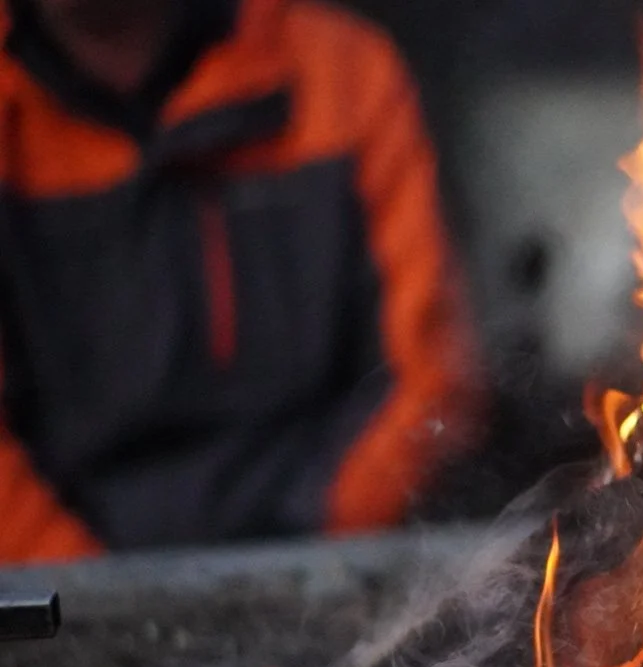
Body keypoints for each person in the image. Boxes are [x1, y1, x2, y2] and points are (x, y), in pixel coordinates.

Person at [0, 0, 481, 564]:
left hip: (333, 568)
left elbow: (435, 375)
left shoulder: (340, 72)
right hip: (68, 597)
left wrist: (305, 579)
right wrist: (93, 614)